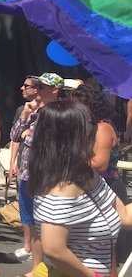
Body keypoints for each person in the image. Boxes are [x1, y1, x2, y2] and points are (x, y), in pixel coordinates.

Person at [29, 99, 132, 277]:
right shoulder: (59, 191)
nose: (97, 131)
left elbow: (125, 217)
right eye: (91, 126)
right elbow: (54, 249)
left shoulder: (87, 174)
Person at [9, 72, 63, 277]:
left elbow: (49, 143)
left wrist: (30, 135)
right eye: (36, 86)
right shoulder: (33, 111)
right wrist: (24, 116)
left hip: (46, 177)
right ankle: (36, 268)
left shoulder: (58, 113)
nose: (35, 90)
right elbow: (14, 135)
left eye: (40, 86)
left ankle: (42, 269)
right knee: (30, 222)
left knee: (43, 224)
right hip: (27, 174)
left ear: (54, 90)